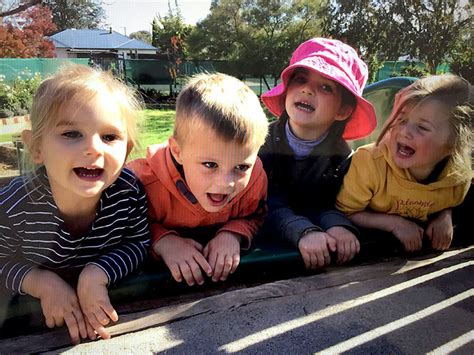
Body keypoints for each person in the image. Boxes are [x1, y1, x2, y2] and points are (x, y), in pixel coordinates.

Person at [0, 65, 150, 344]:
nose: (94, 148)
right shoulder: (13, 207)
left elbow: (138, 243)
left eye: (109, 137)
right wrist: (40, 283)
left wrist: (97, 273)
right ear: (36, 148)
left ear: (127, 150)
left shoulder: (127, 192)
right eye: (71, 134)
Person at [128, 73, 268, 287]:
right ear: (177, 151)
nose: (226, 183)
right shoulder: (141, 182)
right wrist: (164, 242)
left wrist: (233, 234)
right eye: (210, 165)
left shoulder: (255, 177)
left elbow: (255, 214)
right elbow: (124, 227)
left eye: (241, 167)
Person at [259, 38, 377, 269]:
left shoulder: (341, 156)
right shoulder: (261, 141)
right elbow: (262, 203)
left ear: (343, 109)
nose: (307, 89)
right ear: (286, 91)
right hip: (265, 248)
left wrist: (337, 225)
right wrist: (303, 230)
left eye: (325, 87)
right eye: (301, 79)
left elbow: (330, 202)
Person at [336, 74, 472, 253]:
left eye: (422, 127)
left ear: (452, 145)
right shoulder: (369, 163)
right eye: (401, 120)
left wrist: (445, 215)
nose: (404, 132)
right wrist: (395, 224)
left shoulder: (459, 177)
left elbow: (452, 202)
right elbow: (346, 212)